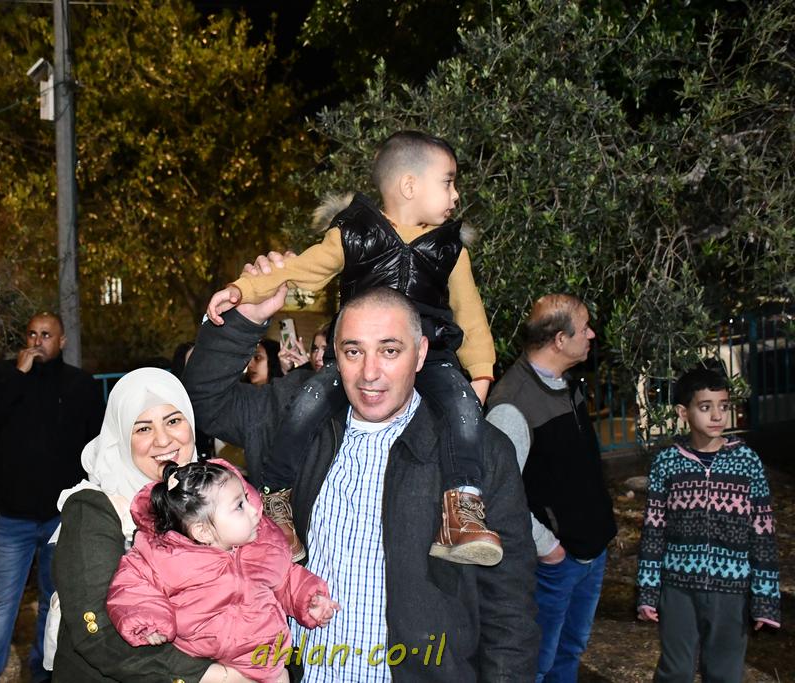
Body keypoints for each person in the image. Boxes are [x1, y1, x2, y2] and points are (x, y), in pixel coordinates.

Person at [185, 285, 539, 681]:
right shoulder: (293, 421)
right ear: (336, 355)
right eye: (354, 352)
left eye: (390, 351)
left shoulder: (479, 452)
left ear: (421, 352)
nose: (370, 373)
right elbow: (206, 403)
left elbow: (509, 610)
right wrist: (243, 321)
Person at [206, 130, 500, 567]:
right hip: (356, 357)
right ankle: (277, 500)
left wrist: (481, 372)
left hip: (433, 355)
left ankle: (462, 510)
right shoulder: (354, 235)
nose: (456, 194)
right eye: (448, 182)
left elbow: (470, 315)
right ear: (409, 185)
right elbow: (300, 269)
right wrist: (242, 289)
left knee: (463, 409)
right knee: (307, 401)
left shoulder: (450, 251)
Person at [46, 368, 255, 682]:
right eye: (143, 428)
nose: (163, 439)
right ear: (121, 437)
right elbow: (97, 632)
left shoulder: (214, 493)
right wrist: (210, 676)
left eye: (173, 421)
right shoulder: (95, 508)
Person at [108, 459, 339, 683]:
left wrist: (308, 599)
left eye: (246, 497)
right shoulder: (165, 555)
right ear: (203, 532)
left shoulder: (260, 545)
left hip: (269, 663)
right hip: (212, 667)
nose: (254, 510)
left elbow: (284, 579)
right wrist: (148, 620)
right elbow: (132, 586)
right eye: (239, 506)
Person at [486, 294, 618, 682]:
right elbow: (496, 494)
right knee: (536, 666)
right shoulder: (511, 406)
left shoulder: (566, 386)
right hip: (555, 565)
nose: (591, 335)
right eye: (584, 328)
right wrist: (548, 548)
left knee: (570, 652)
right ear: (560, 340)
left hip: (589, 553)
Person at [0, 312, 105, 683]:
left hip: (60, 517)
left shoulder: (80, 384)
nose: (37, 341)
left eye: (46, 335)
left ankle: (42, 673)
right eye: (32, 334)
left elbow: (96, 444)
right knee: (2, 603)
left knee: (53, 601)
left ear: (62, 341)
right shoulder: (3, 374)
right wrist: (18, 375)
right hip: (13, 517)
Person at [636, 366, 780, 682]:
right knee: (675, 671)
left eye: (723, 406)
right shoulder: (667, 463)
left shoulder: (747, 462)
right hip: (677, 589)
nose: (717, 415)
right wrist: (648, 590)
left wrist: (765, 597)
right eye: (705, 407)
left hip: (732, 591)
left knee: (725, 672)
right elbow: (654, 530)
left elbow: (763, 532)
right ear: (683, 412)